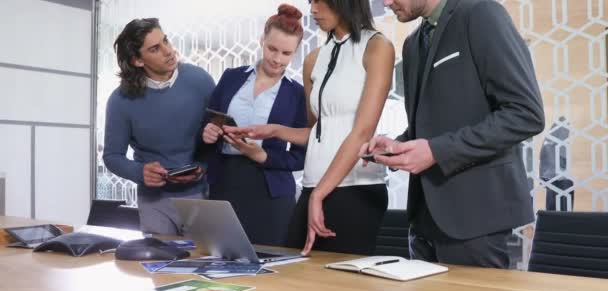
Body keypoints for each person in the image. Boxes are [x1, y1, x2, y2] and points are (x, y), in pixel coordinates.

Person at [360, 0, 545, 268]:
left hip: (475, 220)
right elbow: (429, 125)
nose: (386, 3)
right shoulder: (412, 45)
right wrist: (396, 146)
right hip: (422, 222)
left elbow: (526, 114)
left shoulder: (481, 15)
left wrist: (437, 151)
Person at [226, 0, 395, 255]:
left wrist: (318, 195)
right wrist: (273, 130)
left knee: (340, 289)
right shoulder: (314, 58)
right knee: (295, 279)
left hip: (355, 189)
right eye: (310, 2)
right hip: (312, 186)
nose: (313, 10)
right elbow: (317, 132)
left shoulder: (377, 47)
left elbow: (362, 131)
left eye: (320, 1)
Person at [201, 4, 307, 246]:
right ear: (261, 40)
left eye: (286, 53)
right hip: (225, 182)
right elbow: (207, 122)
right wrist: (208, 132)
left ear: (295, 52)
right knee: (221, 259)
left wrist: (263, 156)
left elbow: (301, 157)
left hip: (271, 191)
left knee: (270, 265)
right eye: (272, 49)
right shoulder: (231, 77)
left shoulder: (298, 94)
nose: (277, 59)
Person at [103, 18, 215, 235]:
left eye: (165, 40)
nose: (169, 51)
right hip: (154, 202)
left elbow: (217, 136)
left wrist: (204, 166)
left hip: (202, 196)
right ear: (137, 60)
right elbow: (112, 156)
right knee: (161, 266)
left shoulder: (200, 80)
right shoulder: (120, 101)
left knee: (202, 265)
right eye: (155, 48)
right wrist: (140, 172)